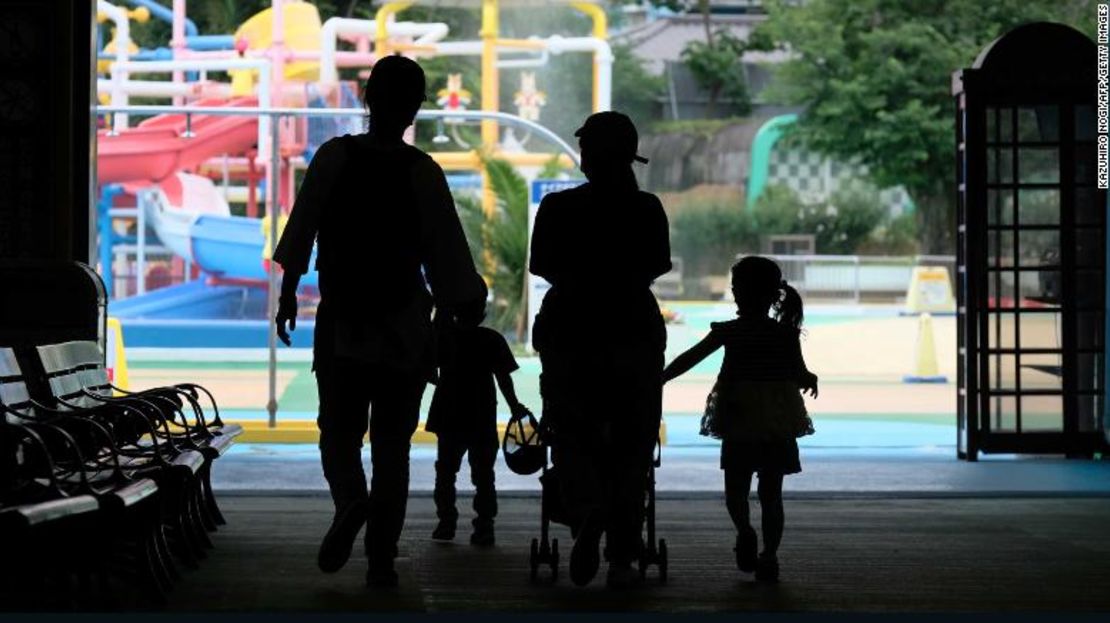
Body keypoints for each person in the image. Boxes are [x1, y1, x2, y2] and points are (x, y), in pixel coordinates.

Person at [272, 55, 487, 587]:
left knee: (338, 434)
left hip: (343, 319)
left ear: (367, 99)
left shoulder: (333, 158)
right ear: (415, 108)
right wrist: (465, 304)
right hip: (404, 327)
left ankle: (350, 500)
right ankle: (382, 560)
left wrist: (286, 294)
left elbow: (301, 230)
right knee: (393, 447)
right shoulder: (422, 173)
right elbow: (446, 257)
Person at [529, 111, 671, 588]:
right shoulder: (647, 208)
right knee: (633, 442)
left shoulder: (557, 208)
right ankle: (624, 543)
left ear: (588, 154)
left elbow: (542, 266)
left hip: (571, 332)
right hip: (634, 332)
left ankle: (587, 509)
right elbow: (654, 266)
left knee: (572, 434)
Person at [662, 256, 819, 583]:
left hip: (738, 418)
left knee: (735, 489)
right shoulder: (785, 334)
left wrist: (661, 377)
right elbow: (798, 371)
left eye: (737, 288)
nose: (734, 294)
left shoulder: (730, 332)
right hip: (777, 420)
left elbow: (691, 357)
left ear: (745, 293)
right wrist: (809, 379)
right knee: (771, 494)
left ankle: (745, 531)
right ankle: (769, 555)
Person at [425, 304, 529, 546]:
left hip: (449, 415)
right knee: (484, 475)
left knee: (445, 472)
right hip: (482, 416)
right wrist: (515, 407)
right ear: (482, 314)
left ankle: (446, 523)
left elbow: (429, 371)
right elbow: (504, 379)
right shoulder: (492, 339)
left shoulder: (445, 339)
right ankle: (484, 526)